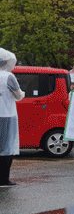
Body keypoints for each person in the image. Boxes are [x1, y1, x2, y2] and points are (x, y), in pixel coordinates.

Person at [0, 48, 25, 187]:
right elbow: (18, 95)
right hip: (6, 115)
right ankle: (3, 179)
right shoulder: (8, 76)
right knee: (6, 149)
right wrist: (22, 93)